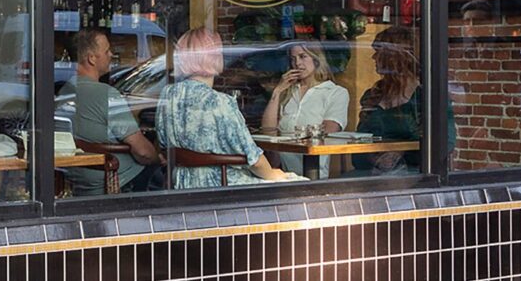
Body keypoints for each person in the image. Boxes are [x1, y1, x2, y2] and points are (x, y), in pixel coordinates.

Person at [156, 27, 294, 188]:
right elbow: (254, 160)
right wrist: (273, 174)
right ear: (213, 57)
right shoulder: (220, 102)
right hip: (222, 187)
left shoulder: (168, 96)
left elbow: (162, 145)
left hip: (181, 185)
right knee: (301, 186)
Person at [62, 28, 161, 195]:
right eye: (106, 51)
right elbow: (143, 152)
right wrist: (160, 157)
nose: (111, 55)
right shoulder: (106, 94)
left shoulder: (65, 91)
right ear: (91, 58)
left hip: (81, 182)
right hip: (119, 180)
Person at [351, 26, 456, 174]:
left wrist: (400, 154)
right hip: (372, 173)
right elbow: (359, 145)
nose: (373, 58)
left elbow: (445, 143)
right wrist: (374, 158)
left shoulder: (426, 97)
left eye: (378, 53)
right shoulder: (373, 95)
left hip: (415, 176)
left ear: (394, 56)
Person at [259, 41, 349, 179]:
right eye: (293, 59)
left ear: (316, 59)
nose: (298, 64)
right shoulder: (288, 91)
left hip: (313, 171)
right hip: (282, 173)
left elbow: (329, 131)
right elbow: (268, 130)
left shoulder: (335, 92)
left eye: (303, 57)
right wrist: (277, 91)